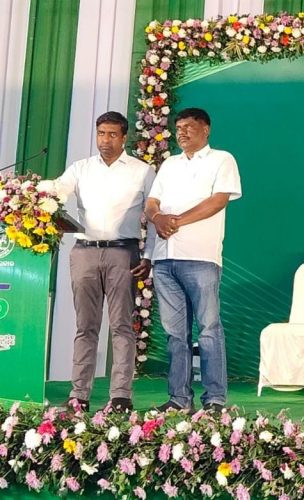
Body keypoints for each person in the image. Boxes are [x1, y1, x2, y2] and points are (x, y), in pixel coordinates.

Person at [56, 111, 155, 413]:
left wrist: (148, 256)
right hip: (84, 252)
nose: (105, 140)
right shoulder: (81, 168)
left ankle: (121, 396)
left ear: (124, 137)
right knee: (85, 326)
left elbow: (154, 216)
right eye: (101, 133)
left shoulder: (142, 171)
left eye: (112, 134)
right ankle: (79, 395)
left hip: (123, 253)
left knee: (122, 325)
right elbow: (56, 192)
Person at [144, 108, 242, 413]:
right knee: (175, 333)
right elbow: (151, 202)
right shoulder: (170, 164)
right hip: (165, 258)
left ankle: (214, 399)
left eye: (189, 126)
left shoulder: (222, 159)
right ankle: (179, 399)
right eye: (178, 128)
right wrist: (157, 218)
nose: (182, 132)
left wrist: (176, 221)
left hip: (200, 257)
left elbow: (218, 201)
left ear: (206, 129)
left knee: (209, 328)